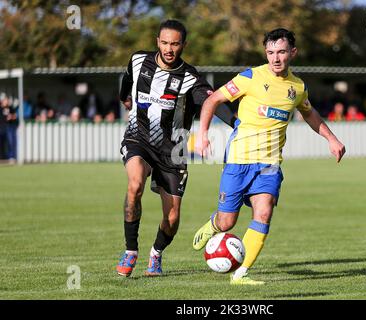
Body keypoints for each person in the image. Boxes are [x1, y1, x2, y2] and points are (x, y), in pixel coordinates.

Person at [192, 28, 346, 285]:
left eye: (282, 52)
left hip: (270, 164)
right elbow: (213, 100)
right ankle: (214, 225)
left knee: (263, 214)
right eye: (271, 52)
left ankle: (240, 274)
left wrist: (331, 138)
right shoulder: (250, 77)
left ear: (292, 53)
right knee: (228, 221)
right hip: (239, 160)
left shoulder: (297, 87)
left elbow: (309, 114)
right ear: (266, 53)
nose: (276, 58)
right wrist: (203, 133)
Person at [116, 19, 236, 277]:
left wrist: (236, 123)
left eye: (175, 43)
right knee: (134, 184)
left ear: (183, 44)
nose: (169, 49)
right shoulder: (138, 60)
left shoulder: (190, 78)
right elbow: (127, 78)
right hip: (139, 138)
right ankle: (130, 251)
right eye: (165, 42)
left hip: (174, 150)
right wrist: (125, 97)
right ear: (157, 41)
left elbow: (213, 101)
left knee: (171, 218)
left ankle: (156, 253)